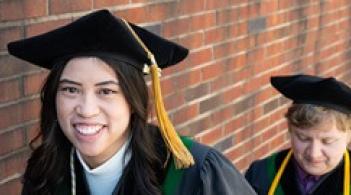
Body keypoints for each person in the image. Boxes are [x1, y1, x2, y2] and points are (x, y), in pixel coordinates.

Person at [8, 9, 256, 195]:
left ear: (134, 100)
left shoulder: (195, 175)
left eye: (106, 91)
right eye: (71, 90)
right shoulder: (46, 172)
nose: (86, 109)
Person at [245, 74, 351, 195]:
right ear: (290, 130)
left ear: (349, 136)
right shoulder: (261, 174)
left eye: (327, 141)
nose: (314, 154)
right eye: (303, 138)